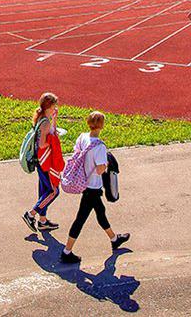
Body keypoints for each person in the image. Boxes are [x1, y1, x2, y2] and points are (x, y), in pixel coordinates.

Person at [60, 112, 129, 265]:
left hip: (86, 184)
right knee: (80, 219)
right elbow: (99, 170)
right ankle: (67, 251)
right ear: (102, 125)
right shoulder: (99, 146)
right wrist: (106, 164)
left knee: (101, 212)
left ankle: (114, 239)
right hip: (92, 186)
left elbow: (77, 151)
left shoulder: (83, 137)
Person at [22, 92, 64, 233]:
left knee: (44, 190)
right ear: (49, 106)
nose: (55, 108)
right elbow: (42, 144)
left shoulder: (42, 118)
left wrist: (54, 119)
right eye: (54, 106)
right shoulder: (45, 122)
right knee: (53, 191)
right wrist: (52, 144)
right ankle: (31, 214)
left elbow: (51, 131)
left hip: (40, 162)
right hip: (46, 162)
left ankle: (43, 221)